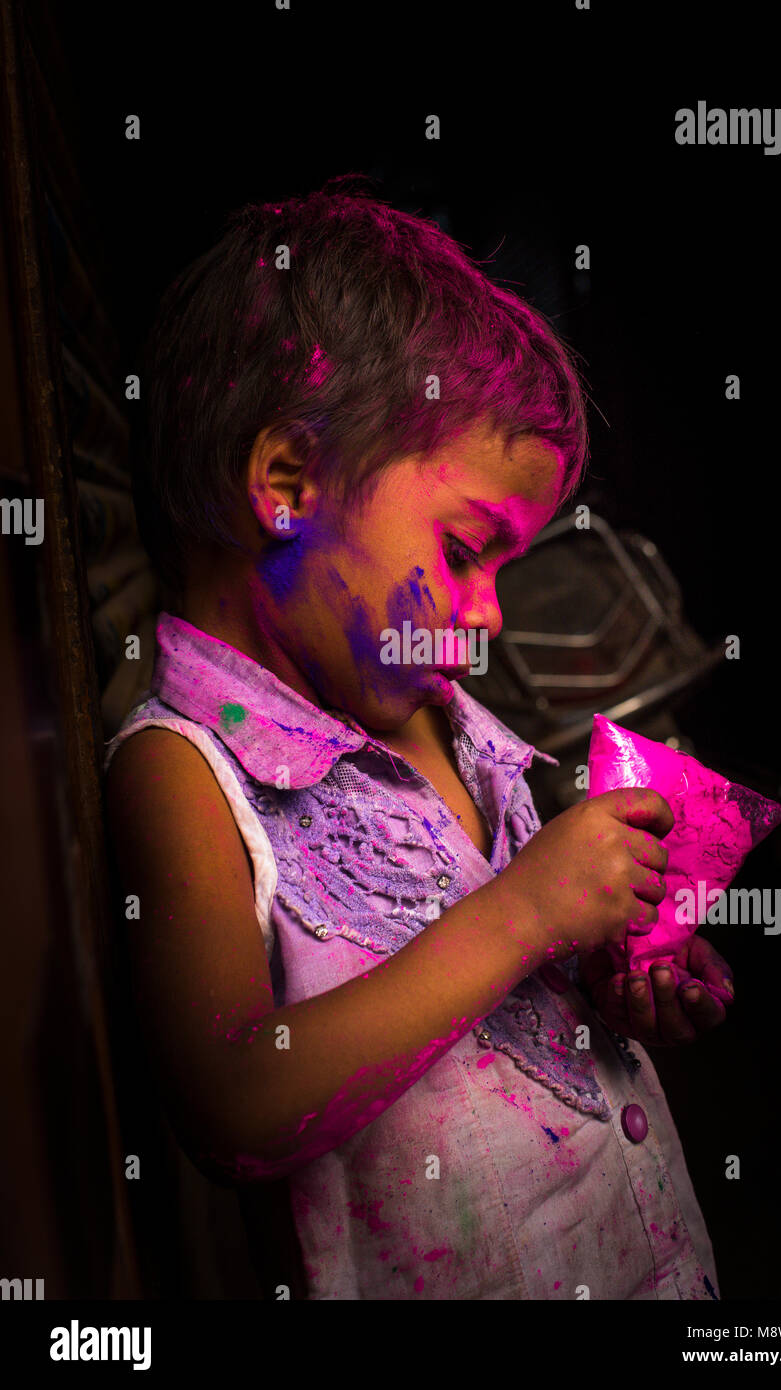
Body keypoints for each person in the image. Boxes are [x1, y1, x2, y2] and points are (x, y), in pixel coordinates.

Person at [103, 177, 732, 1300]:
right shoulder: (183, 771)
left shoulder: (448, 717)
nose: (488, 613)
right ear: (288, 483)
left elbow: (516, 984)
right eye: (466, 549)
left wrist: (602, 962)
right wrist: (527, 908)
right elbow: (230, 1103)